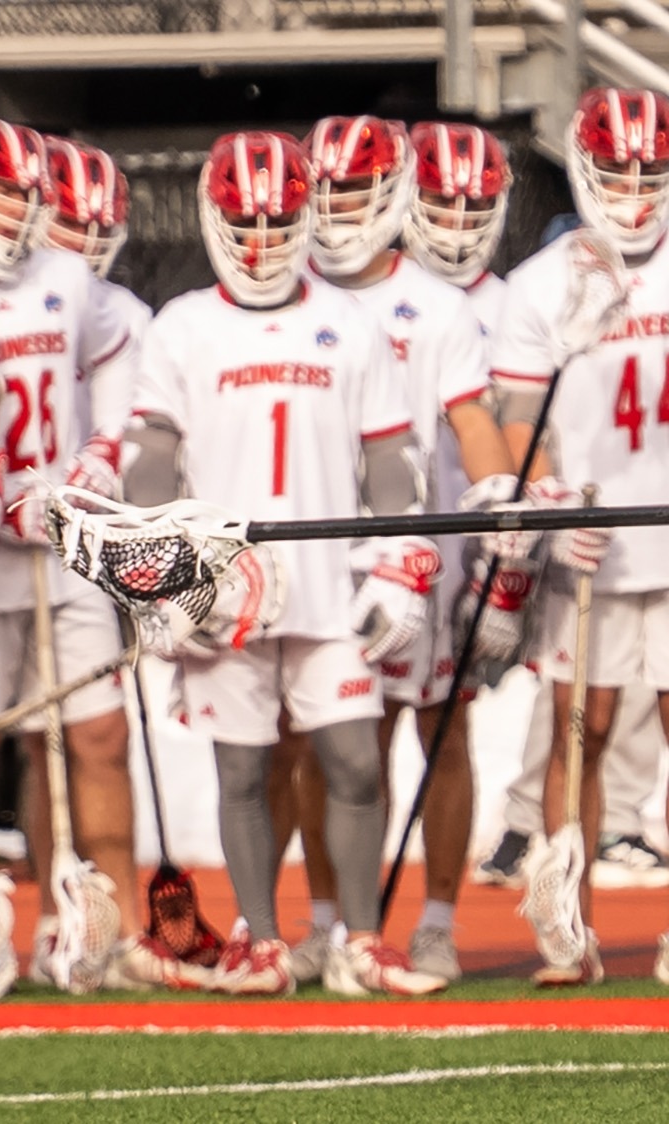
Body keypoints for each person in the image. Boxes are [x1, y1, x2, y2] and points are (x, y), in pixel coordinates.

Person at [122, 130, 446, 997]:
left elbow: (390, 462)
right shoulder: (183, 326)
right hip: (224, 588)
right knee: (241, 768)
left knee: (354, 761)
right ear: (213, 218)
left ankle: (358, 938)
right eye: (244, 221)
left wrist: (397, 564)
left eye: (276, 220)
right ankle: (262, 939)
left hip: (331, 583)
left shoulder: (349, 323)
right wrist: (156, 570)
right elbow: (151, 458)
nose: (260, 240)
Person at [0, 119, 178, 1001]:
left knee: (83, 730)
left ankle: (93, 919)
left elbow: (124, 376)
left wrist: (95, 465)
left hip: (58, 539)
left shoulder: (69, 279)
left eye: (24, 193)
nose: (11, 211)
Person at [279, 114, 519, 986]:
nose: (339, 209)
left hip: (428, 546)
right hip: (321, 548)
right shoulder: (285, 292)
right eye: (329, 190)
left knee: (441, 736)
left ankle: (439, 924)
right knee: (335, 746)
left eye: (355, 190)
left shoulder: (441, 308)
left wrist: (504, 537)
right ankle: (335, 921)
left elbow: (477, 426)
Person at [487, 86, 669, 986]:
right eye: (619, 168)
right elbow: (518, 419)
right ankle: (572, 927)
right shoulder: (540, 283)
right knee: (579, 728)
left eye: (651, 169)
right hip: (591, 540)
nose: (634, 187)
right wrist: (553, 501)